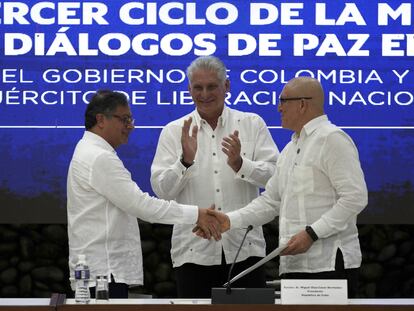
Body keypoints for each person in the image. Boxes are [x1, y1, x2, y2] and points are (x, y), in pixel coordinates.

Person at [203, 76, 368, 298]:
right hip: (293, 266)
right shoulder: (290, 149)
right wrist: (229, 220)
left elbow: (355, 198)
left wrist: (312, 233)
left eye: (283, 101)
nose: (279, 107)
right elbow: (270, 201)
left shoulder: (333, 139)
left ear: (302, 104)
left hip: (329, 265)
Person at [66, 90, 220, 299]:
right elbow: (141, 205)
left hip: (98, 271)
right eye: (125, 119)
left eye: (131, 119)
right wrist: (197, 214)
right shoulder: (99, 157)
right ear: (100, 120)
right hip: (104, 273)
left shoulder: (88, 150)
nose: (131, 126)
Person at [150, 56, 279, 298]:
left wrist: (242, 164)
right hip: (192, 252)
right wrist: (184, 162)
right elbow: (162, 191)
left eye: (212, 86)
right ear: (189, 89)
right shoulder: (173, 131)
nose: (204, 94)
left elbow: (276, 180)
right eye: (198, 87)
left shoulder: (252, 124)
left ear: (226, 86)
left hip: (245, 250)